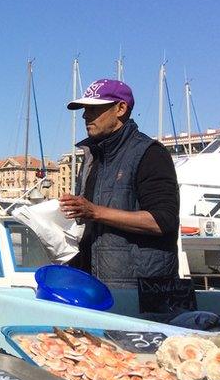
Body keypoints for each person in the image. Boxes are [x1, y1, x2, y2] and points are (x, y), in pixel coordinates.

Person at [60, 79, 179, 288]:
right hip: (94, 286)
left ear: (121, 108)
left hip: (140, 293)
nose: (85, 115)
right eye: (85, 109)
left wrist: (95, 212)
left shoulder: (150, 153)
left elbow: (163, 221)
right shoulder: (91, 157)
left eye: (94, 109)